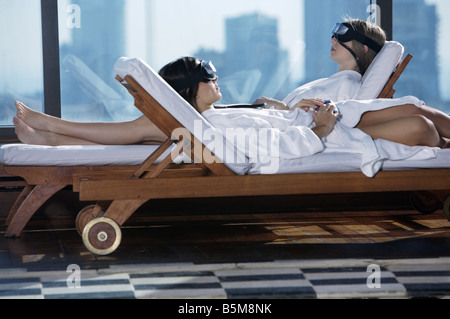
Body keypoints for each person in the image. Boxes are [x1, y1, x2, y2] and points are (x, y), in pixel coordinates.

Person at [255, 18, 450, 148]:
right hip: (328, 127)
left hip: (341, 123)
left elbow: (345, 114)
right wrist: (284, 108)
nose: (333, 39)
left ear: (364, 48)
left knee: (413, 112)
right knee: (419, 123)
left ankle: (443, 144)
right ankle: (444, 145)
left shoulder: (349, 83)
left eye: (343, 37)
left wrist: (288, 110)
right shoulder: (323, 82)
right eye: (334, 35)